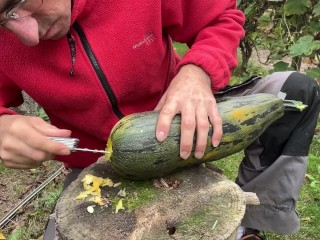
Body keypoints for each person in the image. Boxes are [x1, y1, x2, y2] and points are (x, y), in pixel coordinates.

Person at [0, 0, 319, 240]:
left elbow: (221, 18)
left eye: (18, 3)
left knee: (293, 92)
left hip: (187, 116)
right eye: (2, 19)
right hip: (97, 166)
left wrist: (198, 72)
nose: (27, 35)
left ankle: (252, 222)